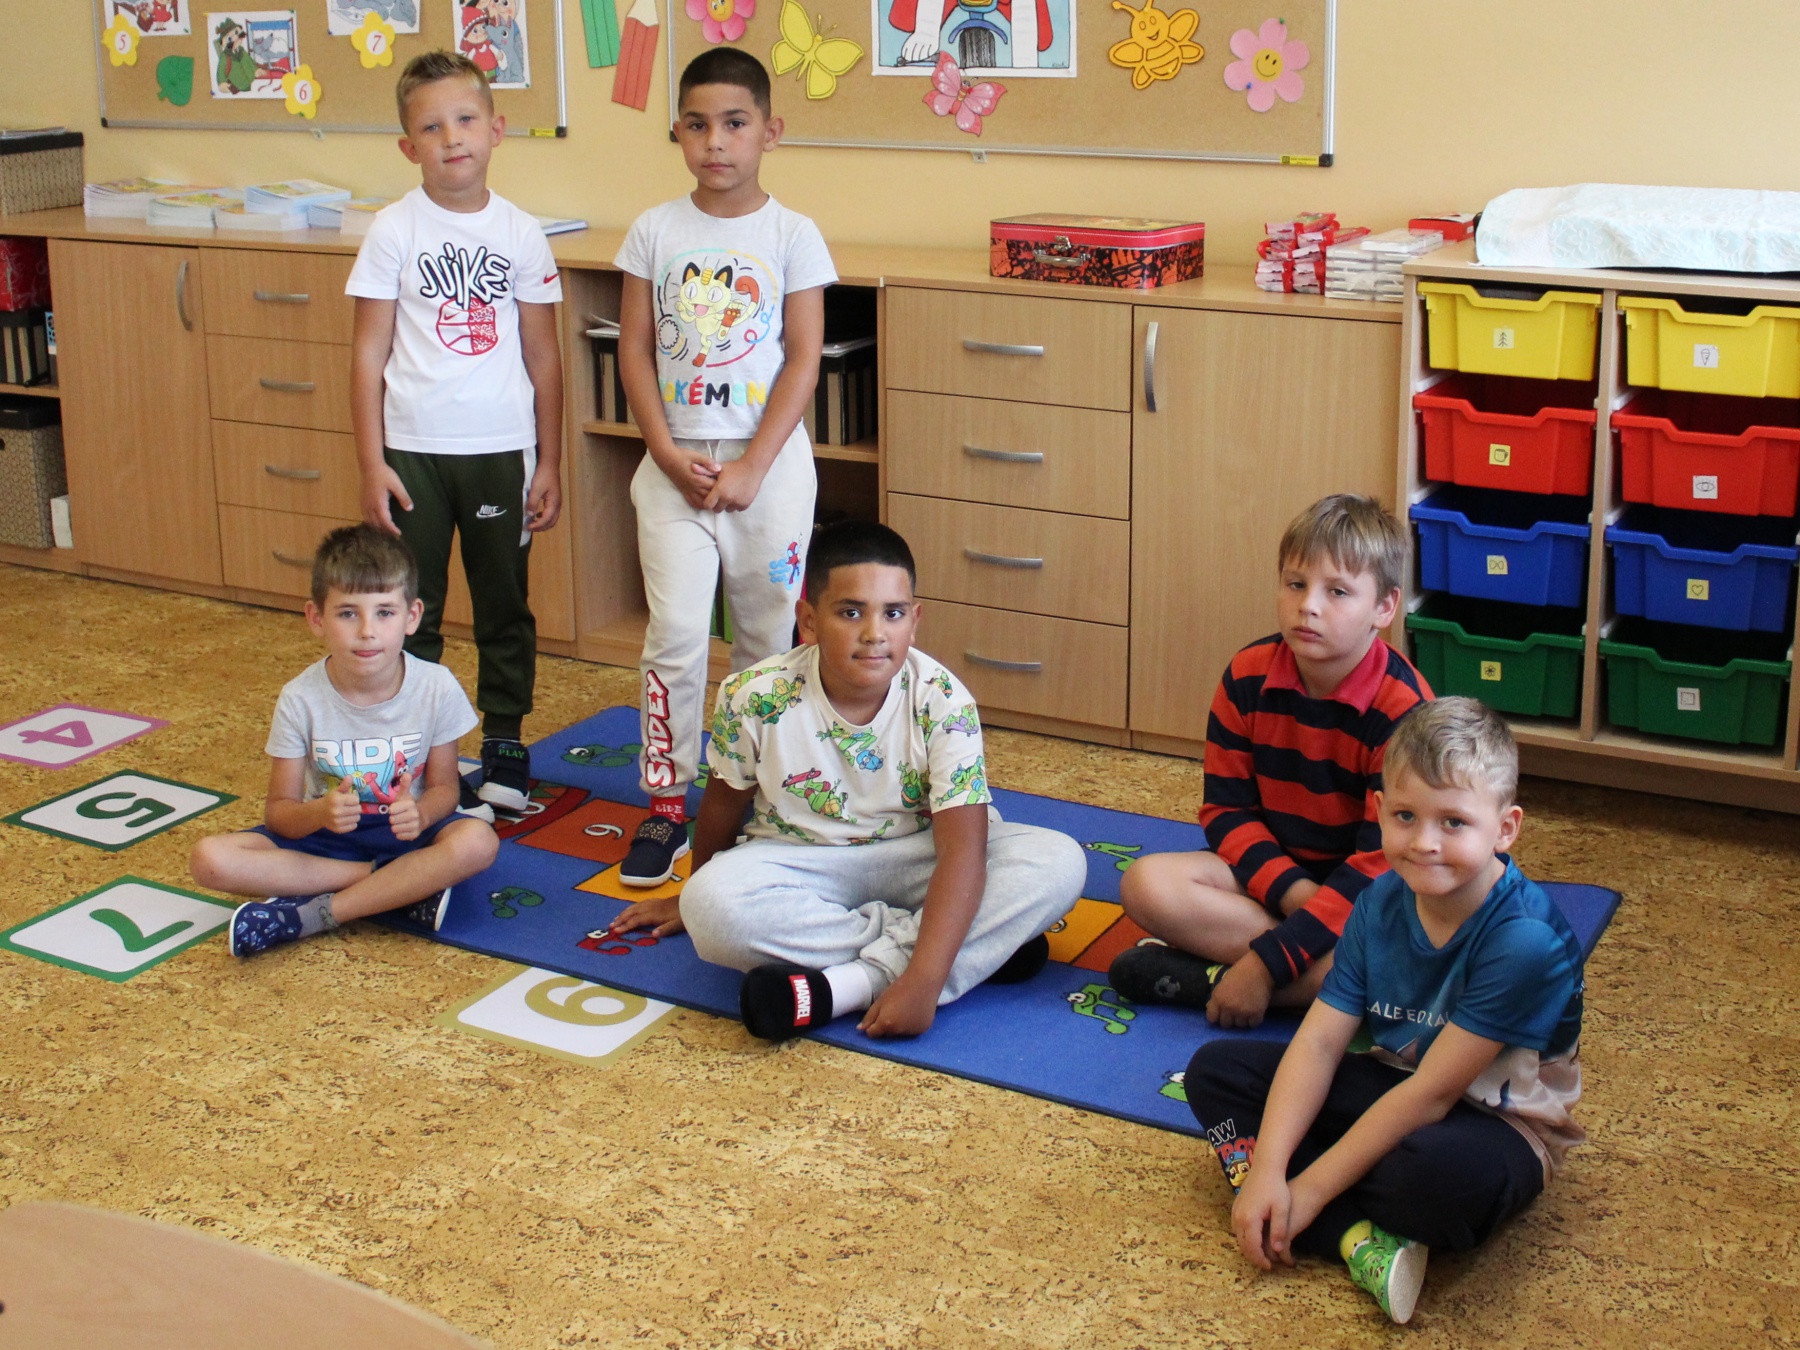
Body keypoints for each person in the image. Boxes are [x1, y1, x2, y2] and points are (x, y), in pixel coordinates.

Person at [1182, 697, 1585, 1324]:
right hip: (1395, 1080)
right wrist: (1267, 1172)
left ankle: (1319, 1207)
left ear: (1505, 829)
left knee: (1429, 1184)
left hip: (1498, 1123)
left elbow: (1432, 1094)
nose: (1424, 843)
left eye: (1454, 822)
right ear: (1378, 812)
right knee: (1214, 1073)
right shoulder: (1376, 902)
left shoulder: (1523, 939)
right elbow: (1318, 1043)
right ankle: (1357, 1241)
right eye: (1405, 816)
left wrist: (1305, 1187)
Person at [608, 522, 1085, 1040]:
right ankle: (959, 946)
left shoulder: (945, 701)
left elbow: (963, 853)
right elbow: (724, 803)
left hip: (918, 857)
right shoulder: (754, 695)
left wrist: (925, 983)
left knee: (1058, 861)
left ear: (915, 622)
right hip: (798, 862)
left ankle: (855, 983)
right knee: (711, 906)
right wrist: (689, 895)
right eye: (851, 612)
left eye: (893, 613)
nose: (875, 633)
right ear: (808, 622)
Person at [612, 46, 836, 887]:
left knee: (765, 643)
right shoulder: (654, 230)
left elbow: (804, 358)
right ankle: (666, 802)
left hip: (767, 473)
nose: (716, 142)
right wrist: (667, 453)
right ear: (677, 132)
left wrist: (751, 466)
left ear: (769, 132)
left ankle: (748, 794)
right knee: (673, 635)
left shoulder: (793, 234)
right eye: (697, 125)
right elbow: (634, 351)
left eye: (735, 124)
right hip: (674, 469)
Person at [1110, 494, 1430, 1027]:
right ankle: (1328, 983)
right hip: (1276, 885)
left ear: (1384, 607)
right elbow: (1226, 813)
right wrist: (1296, 896)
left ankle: (1235, 982)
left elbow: (1383, 866)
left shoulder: (1404, 712)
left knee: (1411, 943)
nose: (1309, 606)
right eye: (1295, 583)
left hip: (1370, 897)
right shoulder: (1247, 675)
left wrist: (1264, 965)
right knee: (1145, 884)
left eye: (1337, 592)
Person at [347, 49, 564, 819]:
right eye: (432, 128)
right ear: (409, 146)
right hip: (413, 452)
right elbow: (367, 354)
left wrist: (550, 461)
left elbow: (544, 355)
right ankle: (414, 747)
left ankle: (504, 739)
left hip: (502, 452)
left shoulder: (522, 234)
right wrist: (371, 463)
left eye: (466, 120)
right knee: (414, 608)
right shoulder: (392, 230)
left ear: (496, 130)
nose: (452, 139)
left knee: (504, 604)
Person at [190, 526, 499, 957]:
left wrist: (422, 813)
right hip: (329, 842)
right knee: (209, 859)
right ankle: (398, 888)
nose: (368, 631)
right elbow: (279, 814)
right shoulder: (300, 698)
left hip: (407, 836)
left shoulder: (437, 686)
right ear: (317, 618)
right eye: (348, 613)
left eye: (385, 612)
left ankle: (314, 915)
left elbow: (446, 789)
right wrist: (320, 811)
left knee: (478, 841)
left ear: (412, 616)